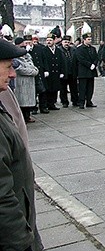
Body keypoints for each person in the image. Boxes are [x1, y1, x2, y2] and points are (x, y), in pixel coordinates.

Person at [0, 39, 44, 251]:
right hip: (15, 233)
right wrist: (21, 241)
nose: (12, 74)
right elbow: (1, 195)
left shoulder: (3, 95)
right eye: (8, 66)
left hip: (23, 217)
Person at [12, 37, 39, 123]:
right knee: (22, 102)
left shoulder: (28, 56)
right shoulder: (15, 57)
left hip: (30, 83)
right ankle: (23, 118)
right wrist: (32, 72)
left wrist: (35, 70)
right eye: (22, 46)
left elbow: (33, 66)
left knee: (29, 101)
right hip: (21, 82)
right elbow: (19, 69)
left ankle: (28, 116)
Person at [74, 27, 98, 109]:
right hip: (83, 71)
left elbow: (96, 57)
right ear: (84, 40)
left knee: (90, 88)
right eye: (88, 39)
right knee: (82, 88)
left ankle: (89, 101)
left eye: (90, 39)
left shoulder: (93, 49)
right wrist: (89, 65)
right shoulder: (79, 49)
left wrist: (94, 64)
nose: (90, 40)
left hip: (91, 71)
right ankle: (81, 102)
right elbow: (81, 59)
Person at [40, 31, 64, 112]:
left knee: (55, 89)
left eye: (50, 40)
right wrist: (45, 70)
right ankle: (46, 104)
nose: (48, 42)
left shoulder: (58, 50)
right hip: (48, 73)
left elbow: (61, 61)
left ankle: (52, 103)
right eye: (47, 40)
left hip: (56, 73)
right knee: (47, 89)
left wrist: (62, 72)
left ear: (54, 41)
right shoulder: (43, 50)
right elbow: (42, 61)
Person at [58, 34, 79, 107]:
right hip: (63, 72)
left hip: (72, 71)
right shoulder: (59, 50)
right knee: (63, 88)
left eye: (68, 42)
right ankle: (64, 102)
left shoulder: (73, 50)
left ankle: (75, 101)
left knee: (74, 87)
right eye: (65, 42)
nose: (66, 44)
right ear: (62, 42)